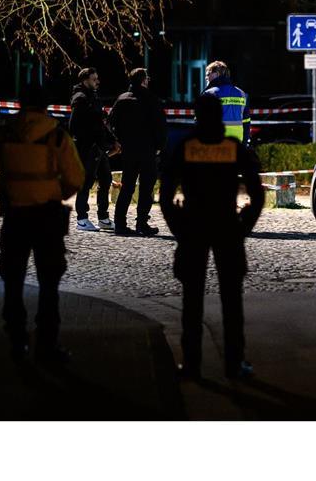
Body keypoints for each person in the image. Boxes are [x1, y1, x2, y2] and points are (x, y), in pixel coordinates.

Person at [0, 83, 85, 363]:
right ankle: (47, 344)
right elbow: (76, 178)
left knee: (13, 280)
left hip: (15, 217)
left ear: (20, 104)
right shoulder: (57, 136)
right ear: (46, 105)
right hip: (47, 216)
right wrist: (56, 193)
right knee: (49, 282)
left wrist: (1, 190)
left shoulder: (3, 134)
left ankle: (17, 339)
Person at [159, 93, 264, 380]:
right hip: (227, 227)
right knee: (232, 300)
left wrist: (178, 229)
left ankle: (191, 364)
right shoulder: (233, 148)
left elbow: (166, 197)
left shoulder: (184, 147)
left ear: (196, 116)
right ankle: (234, 362)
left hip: (193, 227)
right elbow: (257, 194)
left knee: (191, 300)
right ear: (219, 116)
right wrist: (243, 228)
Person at [108, 68, 167, 236]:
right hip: (147, 150)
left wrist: (118, 140)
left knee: (127, 186)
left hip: (129, 150)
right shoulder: (151, 99)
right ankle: (142, 223)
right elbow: (161, 127)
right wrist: (160, 147)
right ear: (143, 81)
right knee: (146, 188)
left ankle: (120, 224)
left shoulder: (122, 99)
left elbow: (110, 123)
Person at [70, 67, 120, 233]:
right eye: (94, 79)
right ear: (85, 80)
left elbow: (101, 123)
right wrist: (88, 143)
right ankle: (82, 219)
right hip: (88, 147)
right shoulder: (80, 98)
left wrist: (112, 141)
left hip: (99, 147)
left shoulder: (94, 97)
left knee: (105, 180)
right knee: (86, 182)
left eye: (97, 78)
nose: (97, 81)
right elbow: (75, 126)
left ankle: (103, 218)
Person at [202, 60, 250, 142]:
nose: (206, 77)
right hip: (237, 141)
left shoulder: (209, 94)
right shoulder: (242, 94)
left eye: (208, 74)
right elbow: (246, 122)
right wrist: (244, 144)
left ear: (216, 74)